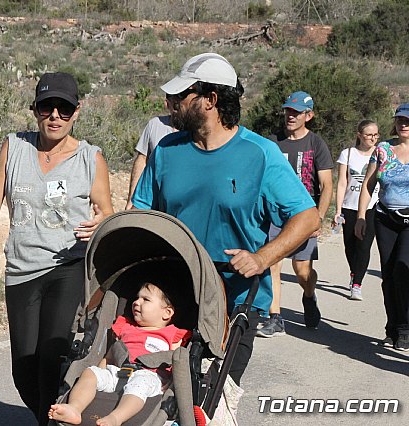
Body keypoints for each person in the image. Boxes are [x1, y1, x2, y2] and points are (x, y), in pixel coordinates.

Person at [131, 53, 319, 384]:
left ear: (211, 100)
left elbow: (308, 217)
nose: (172, 103)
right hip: (175, 297)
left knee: (213, 396)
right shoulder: (166, 151)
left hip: (237, 302)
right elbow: (141, 213)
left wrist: (262, 258)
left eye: (181, 96)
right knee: (159, 391)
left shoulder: (260, 154)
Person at [0, 72, 114, 425]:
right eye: (47, 107)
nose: (55, 116)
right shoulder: (14, 147)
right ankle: (56, 415)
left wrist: (100, 221)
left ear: (77, 112)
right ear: (35, 110)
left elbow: (106, 211)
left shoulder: (91, 159)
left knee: (51, 356)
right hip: (21, 267)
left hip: (68, 267)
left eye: (64, 108)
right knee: (24, 371)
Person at [48, 273, 191, 426]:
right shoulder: (125, 326)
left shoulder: (173, 334)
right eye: (137, 298)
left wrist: (170, 385)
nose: (137, 302)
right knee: (89, 373)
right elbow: (109, 356)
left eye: (146, 299)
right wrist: (99, 371)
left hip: (149, 377)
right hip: (118, 372)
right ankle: (75, 408)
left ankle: (116, 418)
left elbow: (178, 362)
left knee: (140, 382)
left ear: (167, 313)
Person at [257, 91, 333, 338]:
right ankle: (275, 316)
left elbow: (327, 184)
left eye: (296, 112)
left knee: (302, 271)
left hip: (304, 214)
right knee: (272, 262)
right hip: (275, 214)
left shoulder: (316, 144)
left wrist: (318, 217)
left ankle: (309, 295)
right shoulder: (272, 142)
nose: (290, 116)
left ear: (308, 116)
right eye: (288, 110)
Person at [355, 103, 409, 351]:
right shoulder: (383, 149)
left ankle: (405, 328)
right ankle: (392, 328)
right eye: (400, 119)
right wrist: (361, 216)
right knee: (388, 275)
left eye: (407, 120)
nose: (403, 124)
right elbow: (368, 184)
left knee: (403, 271)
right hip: (385, 218)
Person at [333, 120, 380, 301]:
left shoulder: (380, 154)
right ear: (359, 135)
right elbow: (343, 182)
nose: (373, 138)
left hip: (372, 207)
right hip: (349, 206)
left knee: (364, 246)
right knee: (350, 245)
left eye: (376, 135)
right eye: (369, 135)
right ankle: (354, 272)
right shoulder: (349, 153)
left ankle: (357, 284)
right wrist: (338, 210)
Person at [125, 113, 176, 210]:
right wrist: (132, 200)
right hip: (151, 201)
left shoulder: (196, 131)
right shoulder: (154, 124)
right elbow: (142, 159)